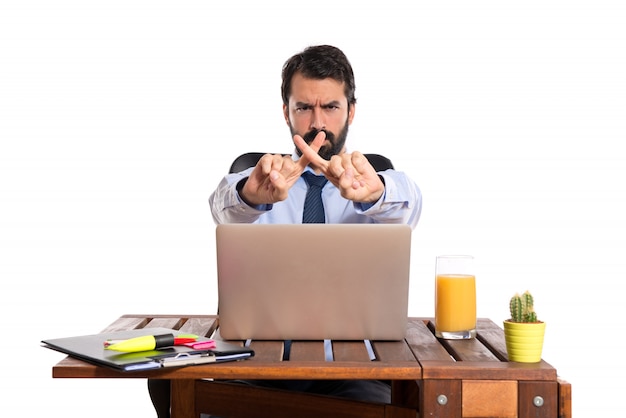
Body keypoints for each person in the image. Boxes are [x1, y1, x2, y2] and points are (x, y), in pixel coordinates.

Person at [148, 44, 422, 417]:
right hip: (257, 367)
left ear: (351, 112)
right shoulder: (262, 176)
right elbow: (222, 205)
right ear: (286, 112)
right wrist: (251, 195)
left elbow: (409, 203)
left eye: (331, 107)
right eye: (304, 108)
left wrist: (376, 193)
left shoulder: (373, 179)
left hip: (354, 371)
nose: (318, 122)